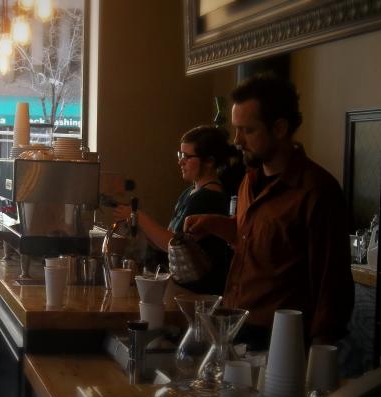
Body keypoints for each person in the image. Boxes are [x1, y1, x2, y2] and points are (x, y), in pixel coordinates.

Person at [183, 73, 354, 347]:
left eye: (248, 130)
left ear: (279, 128)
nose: (237, 140)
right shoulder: (249, 180)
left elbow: (331, 284)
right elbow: (255, 238)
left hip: (281, 340)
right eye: (236, 128)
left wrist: (319, 359)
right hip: (236, 328)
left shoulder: (315, 191)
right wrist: (215, 224)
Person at [113, 125, 232, 295]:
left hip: (200, 293)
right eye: (180, 154)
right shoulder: (189, 193)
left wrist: (138, 216)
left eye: (187, 156)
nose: (180, 161)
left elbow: (174, 244)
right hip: (183, 287)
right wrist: (138, 225)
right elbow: (167, 241)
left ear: (209, 161)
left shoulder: (208, 197)